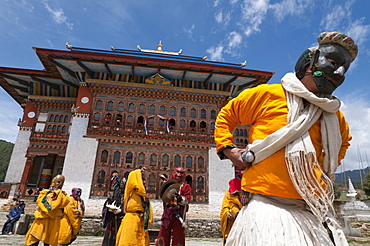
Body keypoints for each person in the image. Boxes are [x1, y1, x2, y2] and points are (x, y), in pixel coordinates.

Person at [214, 32, 357, 246]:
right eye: (334, 61)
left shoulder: (335, 116)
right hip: (264, 209)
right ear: (309, 60)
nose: (338, 72)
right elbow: (227, 115)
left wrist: (321, 168)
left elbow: (343, 143)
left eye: (344, 69)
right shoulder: (266, 94)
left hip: (308, 210)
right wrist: (228, 149)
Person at [25, 174, 70, 246]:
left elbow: (62, 203)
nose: (60, 184)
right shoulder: (45, 193)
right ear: (54, 181)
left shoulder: (63, 195)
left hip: (53, 219)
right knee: (35, 236)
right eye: (58, 182)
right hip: (42, 217)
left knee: (49, 238)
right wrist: (48, 209)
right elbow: (39, 201)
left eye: (62, 182)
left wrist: (51, 207)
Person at [116, 168, 153, 246]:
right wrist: (139, 171)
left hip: (140, 220)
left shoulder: (143, 196)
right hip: (131, 217)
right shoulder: (132, 189)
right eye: (142, 179)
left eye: (145, 180)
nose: (144, 182)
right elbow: (132, 176)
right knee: (128, 240)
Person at [155, 168, 192, 246]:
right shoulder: (168, 184)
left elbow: (187, 199)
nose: (179, 175)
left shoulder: (186, 187)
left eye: (181, 173)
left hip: (179, 216)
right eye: (177, 172)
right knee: (163, 236)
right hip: (167, 215)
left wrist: (180, 198)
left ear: (184, 176)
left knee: (178, 237)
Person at [220, 166, 246, 245]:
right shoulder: (230, 191)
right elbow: (225, 207)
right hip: (233, 223)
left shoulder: (253, 190)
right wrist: (228, 214)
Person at [101, 172, 125, 246]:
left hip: (122, 221)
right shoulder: (112, 196)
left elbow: (130, 207)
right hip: (112, 221)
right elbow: (106, 207)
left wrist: (121, 210)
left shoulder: (127, 197)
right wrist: (109, 209)